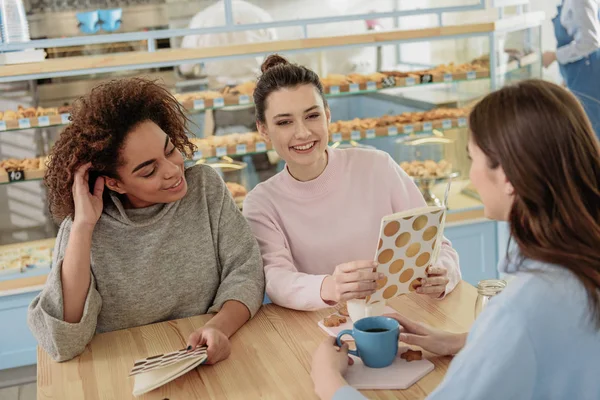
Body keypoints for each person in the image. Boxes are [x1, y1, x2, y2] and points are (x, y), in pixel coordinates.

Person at [310, 79, 600, 400]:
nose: (471, 172)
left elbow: (527, 326)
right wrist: (467, 340)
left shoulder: (523, 308)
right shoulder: (578, 266)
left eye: (471, 157)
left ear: (506, 178)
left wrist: (329, 381)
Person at [27, 78, 265, 363]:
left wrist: (217, 328)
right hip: (123, 371)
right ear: (115, 184)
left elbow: (246, 271)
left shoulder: (205, 188)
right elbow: (63, 340)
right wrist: (83, 227)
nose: (172, 171)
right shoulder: (84, 229)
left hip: (207, 359)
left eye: (169, 151)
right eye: (148, 171)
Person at [242, 55, 461, 311]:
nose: (302, 132)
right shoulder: (262, 203)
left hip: (400, 317)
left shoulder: (377, 167)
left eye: (312, 116)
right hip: (321, 331)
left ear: (327, 116)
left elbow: (438, 247)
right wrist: (331, 287)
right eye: (284, 122)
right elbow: (277, 279)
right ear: (263, 130)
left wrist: (443, 274)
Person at [543, 0, 600, 138]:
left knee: (592, 129)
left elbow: (590, 42)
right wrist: (565, 80)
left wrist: (555, 56)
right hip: (579, 77)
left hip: (589, 77)